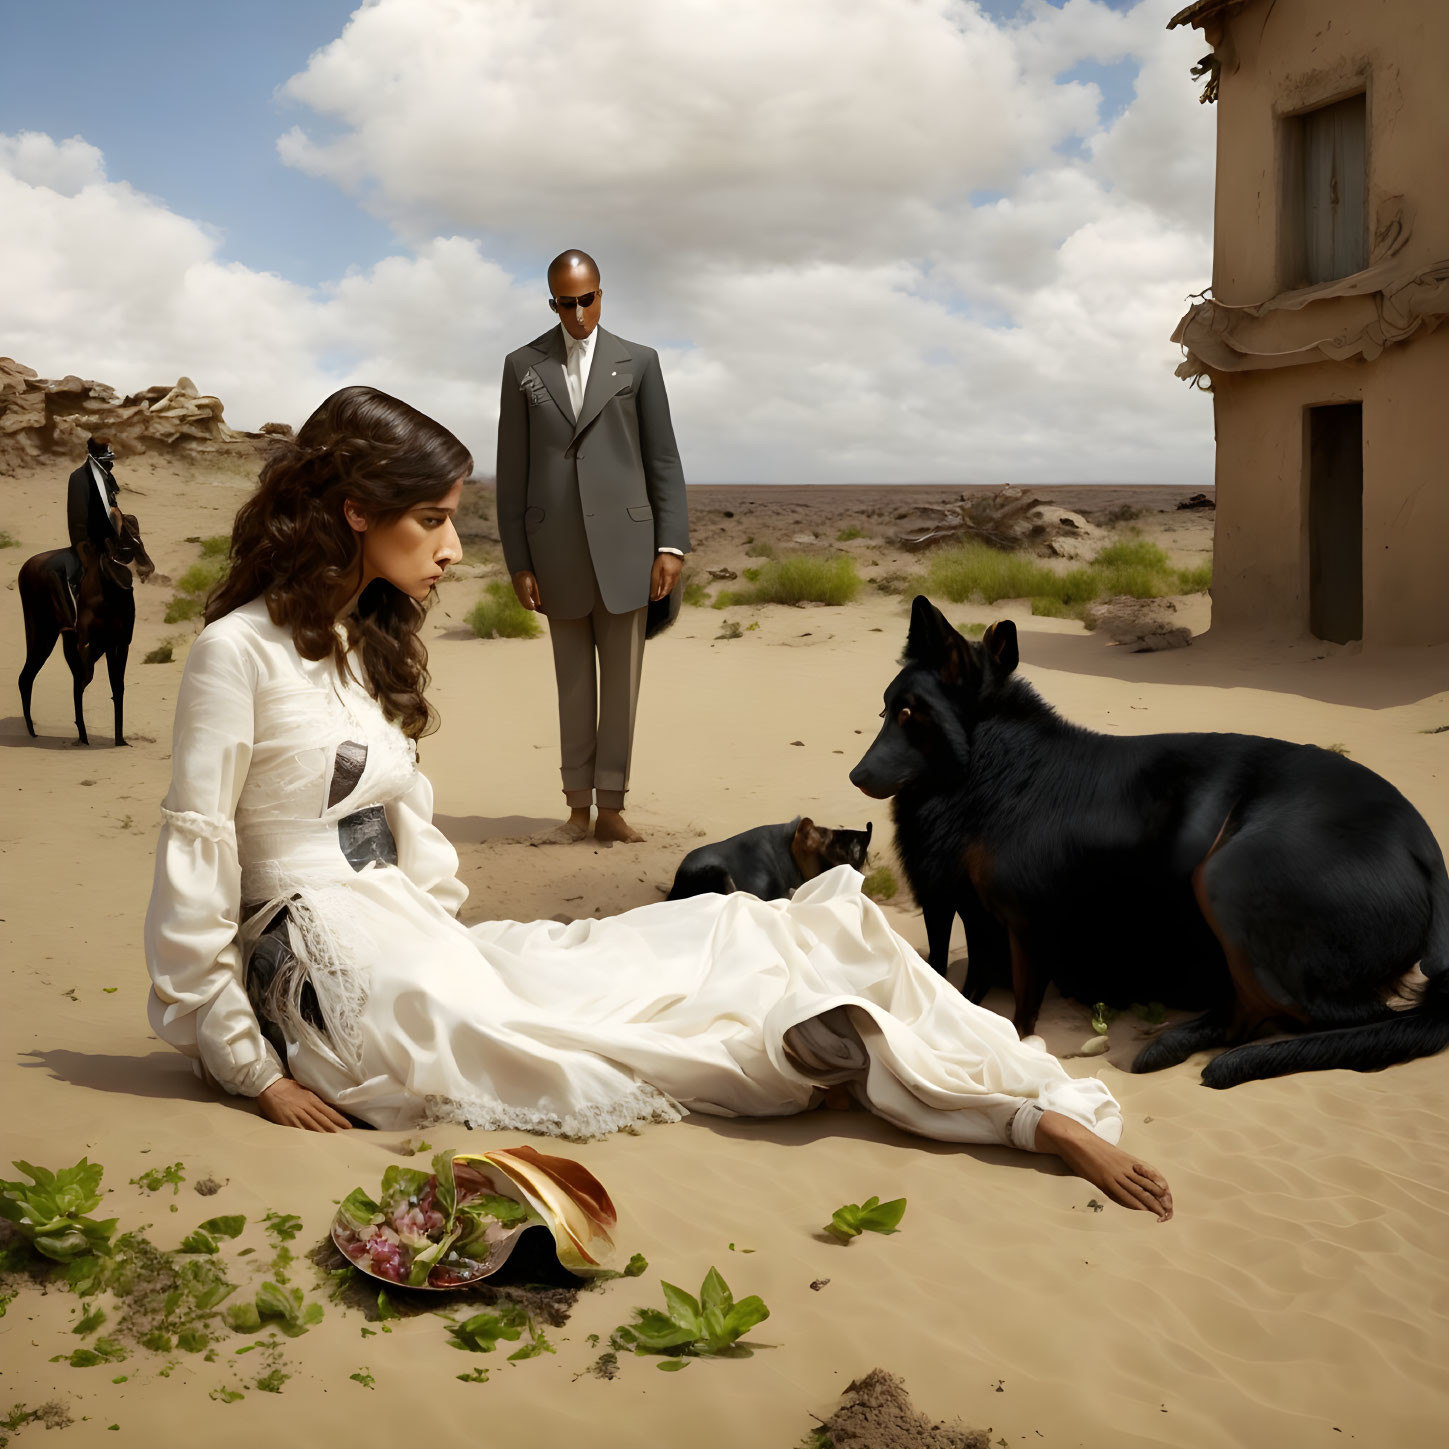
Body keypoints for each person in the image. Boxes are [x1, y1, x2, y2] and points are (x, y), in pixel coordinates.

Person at [143, 386, 1173, 1221]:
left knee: (721, 932)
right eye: (434, 521)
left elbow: (406, 837)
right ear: (353, 513)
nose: (454, 550)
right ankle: (954, 1095)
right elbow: (198, 872)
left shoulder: (364, 644)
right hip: (329, 981)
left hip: (405, 940)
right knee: (596, 1040)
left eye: (455, 520)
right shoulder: (235, 653)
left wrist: (460, 936)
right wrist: (247, 1069)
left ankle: (998, 1090)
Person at [496, 250, 689, 844]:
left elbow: (662, 458)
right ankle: (576, 809)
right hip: (554, 551)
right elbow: (512, 468)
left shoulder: (640, 363)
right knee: (573, 683)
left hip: (629, 549)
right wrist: (519, 560)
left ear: (601, 294)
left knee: (623, 685)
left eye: (588, 299)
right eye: (565, 302)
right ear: (551, 301)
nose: (578, 312)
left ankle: (612, 808)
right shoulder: (522, 366)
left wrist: (671, 546)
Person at [62, 436, 123, 630]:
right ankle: (81, 627)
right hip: (89, 541)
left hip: (107, 538)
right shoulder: (79, 478)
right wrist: (85, 548)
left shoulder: (105, 475)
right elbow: (78, 519)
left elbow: (112, 504)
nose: (109, 456)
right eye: (104, 451)